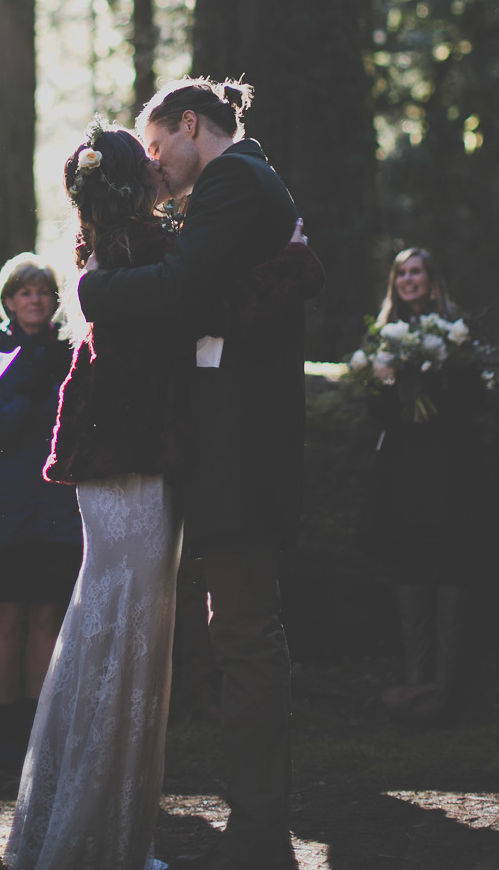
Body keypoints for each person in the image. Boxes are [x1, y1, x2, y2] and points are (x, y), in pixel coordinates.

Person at [76, 79, 324, 870]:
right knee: (239, 627)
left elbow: (182, 291)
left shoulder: (235, 182)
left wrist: (94, 288)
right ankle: (252, 817)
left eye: (156, 148)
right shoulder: (239, 187)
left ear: (192, 125)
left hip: (242, 444)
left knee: (246, 632)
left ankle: (256, 829)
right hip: (231, 440)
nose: (153, 168)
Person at [3, 125, 190, 870]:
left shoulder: (114, 253)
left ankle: (92, 825)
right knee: (127, 634)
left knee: (107, 629)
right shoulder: (154, 255)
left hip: (113, 465)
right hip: (135, 465)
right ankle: (96, 836)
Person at [0, 253, 82, 774]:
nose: (35, 299)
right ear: (8, 300)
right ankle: (4, 737)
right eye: (24, 292)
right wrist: (30, 392)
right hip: (7, 506)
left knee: (47, 616)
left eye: (44, 292)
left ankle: (36, 736)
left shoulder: (72, 351)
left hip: (58, 506)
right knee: (6, 617)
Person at [361, 247, 484, 725]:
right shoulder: (384, 335)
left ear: (432, 280)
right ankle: (417, 688)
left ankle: (447, 690)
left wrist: (439, 376)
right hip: (403, 472)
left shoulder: (456, 330)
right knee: (409, 566)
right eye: (401, 273)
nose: (408, 279)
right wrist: (389, 381)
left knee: (451, 565)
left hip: (451, 468)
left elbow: (475, 397)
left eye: (416, 272)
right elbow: (375, 411)